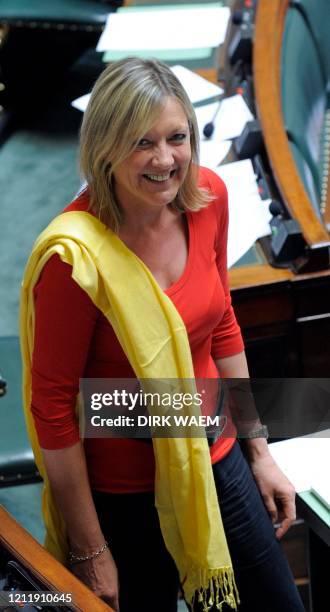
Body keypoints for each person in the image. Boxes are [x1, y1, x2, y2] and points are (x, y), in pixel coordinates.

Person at [20, 57, 305, 612]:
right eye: (140, 142)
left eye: (177, 138)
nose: (164, 159)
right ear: (104, 146)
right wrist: (89, 548)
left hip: (214, 450)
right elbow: (53, 407)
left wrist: (259, 451)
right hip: (125, 491)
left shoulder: (209, 199)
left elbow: (222, 323)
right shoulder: (74, 260)